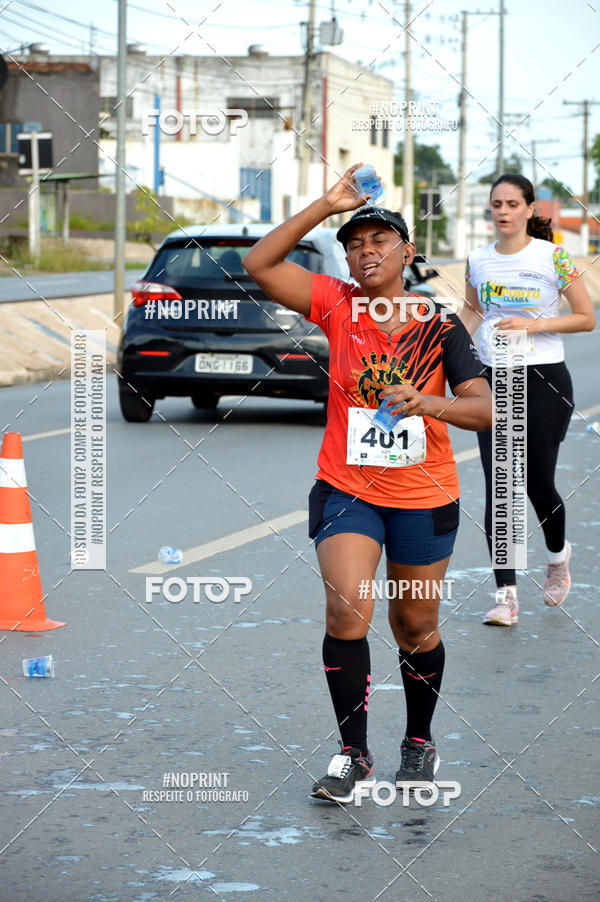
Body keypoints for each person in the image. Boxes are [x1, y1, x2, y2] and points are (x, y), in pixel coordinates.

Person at [243, 164, 492, 804]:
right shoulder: (336, 302)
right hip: (347, 490)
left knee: (414, 624)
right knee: (347, 608)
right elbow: (260, 262)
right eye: (355, 243)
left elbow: (485, 408)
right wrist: (327, 204)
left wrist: (427, 404)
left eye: (380, 240)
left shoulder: (439, 327)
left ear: (408, 253)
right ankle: (354, 753)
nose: (366, 250)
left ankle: (419, 740)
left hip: (423, 496)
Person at [461, 173, 595, 626]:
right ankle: (506, 596)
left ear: (530, 209)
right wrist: (441, 347)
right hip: (491, 379)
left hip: (544, 381)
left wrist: (532, 325)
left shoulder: (553, 257)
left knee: (537, 483)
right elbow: (473, 310)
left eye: (512, 204)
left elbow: (585, 318)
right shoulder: (477, 259)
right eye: (496, 204)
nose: (502, 211)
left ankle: (557, 558)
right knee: (501, 488)